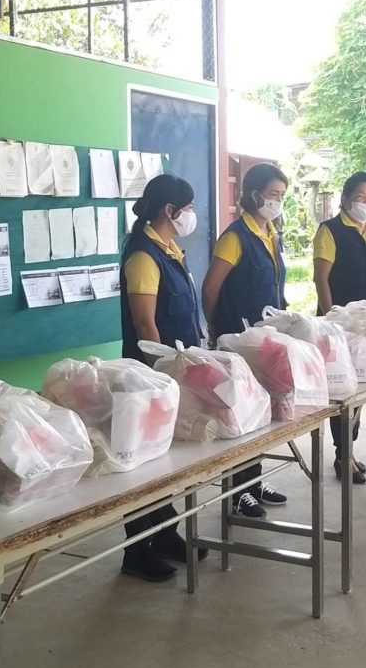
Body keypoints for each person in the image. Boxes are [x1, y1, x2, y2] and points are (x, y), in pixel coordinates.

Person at [120, 175, 209, 580]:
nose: (192, 215)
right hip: (151, 375)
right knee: (144, 464)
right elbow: (145, 323)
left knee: (166, 460)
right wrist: (161, 375)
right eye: (187, 208)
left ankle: (165, 533)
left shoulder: (171, 250)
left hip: (178, 370)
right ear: (169, 211)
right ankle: (137, 550)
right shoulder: (143, 255)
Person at [202, 163, 290, 519]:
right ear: (254, 195)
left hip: (266, 341)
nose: (278, 201)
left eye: (282, 195)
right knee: (239, 416)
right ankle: (237, 491)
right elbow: (211, 288)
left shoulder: (271, 233)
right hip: (237, 341)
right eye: (272, 194)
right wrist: (217, 329)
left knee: (261, 414)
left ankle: (253, 481)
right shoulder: (235, 237)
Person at [313, 171, 366, 484]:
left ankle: (348, 449)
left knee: (361, 391)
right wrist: (331, 319)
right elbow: (321, 278)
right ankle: (342, 454)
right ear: (345, 199)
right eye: (361, 196)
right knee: (343, 391)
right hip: (340, 327)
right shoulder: (330, 230)